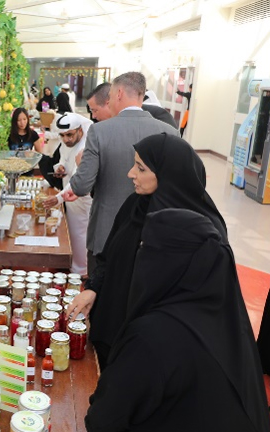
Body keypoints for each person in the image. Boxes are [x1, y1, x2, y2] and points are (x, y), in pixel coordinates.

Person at [86, 208, 270, 432]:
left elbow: (104, 419)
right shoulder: (233, 327)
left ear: (167, 261)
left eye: (145, 247)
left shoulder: (152, 336)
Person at [67, 132, 227, 370]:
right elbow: (108, 257)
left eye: (140, 168)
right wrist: (93, 289)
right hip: (113, 328)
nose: (130, 173)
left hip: (156, 353)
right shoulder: (135, 205)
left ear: (167, 173)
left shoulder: (201, 232)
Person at [64, 72, 179, 273]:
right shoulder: (170, 132)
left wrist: (81, 165)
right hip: (151, 234)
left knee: (101, 289)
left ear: (118, 94)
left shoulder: (100, 131)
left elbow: (81, 186)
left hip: (106, 233)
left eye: (109, 97)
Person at [44, 113, 93, 275]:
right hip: (69, 196)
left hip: (82, 198)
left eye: (69, 135)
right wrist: (60, 167)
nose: (66, 139)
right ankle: (74, 267)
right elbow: (63, 159)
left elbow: (78, 179)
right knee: (72, 233)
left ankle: (82, 272)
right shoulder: (67, 143)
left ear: (80, 130)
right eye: (62, 136)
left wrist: (58, 198)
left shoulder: (86, 146)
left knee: (81, 235)